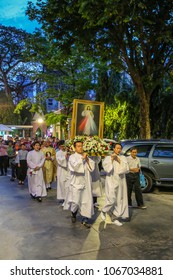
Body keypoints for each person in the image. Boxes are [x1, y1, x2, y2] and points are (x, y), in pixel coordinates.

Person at [64, 141, 95, 228]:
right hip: (76, 182)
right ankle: (73, 214)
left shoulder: (85, 156)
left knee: (86, 200)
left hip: (86, 181)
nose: (80, 148)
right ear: (75, 148)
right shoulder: (72, 157)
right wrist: (82, 159)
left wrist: (87, 159)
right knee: (76, 201)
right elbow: (74, 167)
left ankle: (85, 219)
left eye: (81, 146)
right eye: (78, 146)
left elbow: (92, 167)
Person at [101, 143, 129, 226]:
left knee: (119, 200)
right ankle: (104, 210)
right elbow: (106, 169)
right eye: (117, 148)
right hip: (111, 180)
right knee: (111, 198)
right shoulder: (108, 158)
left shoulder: (123, 158)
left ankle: (114, 218)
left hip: (121, 181)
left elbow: (126, 169)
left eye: (120, 148)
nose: (119, 150)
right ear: (114, 149)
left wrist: (119, 160)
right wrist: (112, 160)